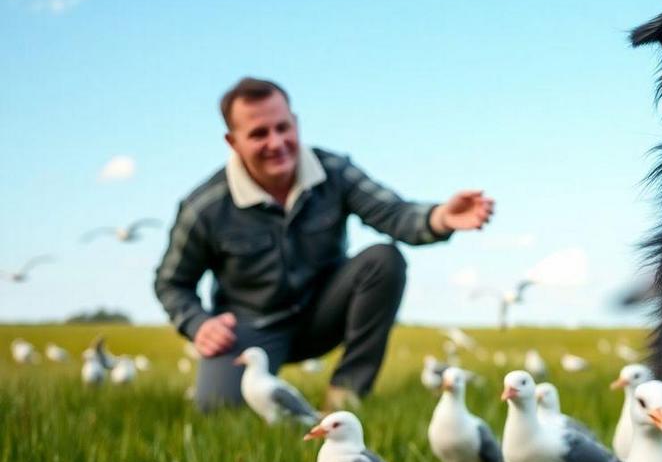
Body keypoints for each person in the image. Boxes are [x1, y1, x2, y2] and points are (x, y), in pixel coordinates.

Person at [154, 77, 494, 411]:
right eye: (259, 134)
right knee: (217, 410)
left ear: (296, 123)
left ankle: (345, 393)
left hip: (323, 313)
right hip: (251, 329)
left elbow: (393, 213)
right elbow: (171, 282)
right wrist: (198, 323)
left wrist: (441, 218)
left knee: (384, 259)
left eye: (283, 127)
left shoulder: (334, 171)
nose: (276, 143)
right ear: (233, 142)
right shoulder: (204, 207)